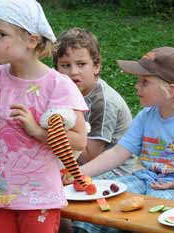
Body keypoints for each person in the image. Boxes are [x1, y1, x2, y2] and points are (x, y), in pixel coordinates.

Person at [74, 46, 174, 233]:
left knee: (149, 214)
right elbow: (119, 152)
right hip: (145, 180)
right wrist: (80, 172)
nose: (137, 86)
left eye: (145, 82)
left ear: (170, 91)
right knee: (104, 200)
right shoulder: (146, 115)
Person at [0, 0, 89, 232]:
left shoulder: (58, 85)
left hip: (39, 195)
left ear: (32, 41)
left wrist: (37, 131)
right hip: (0, 190)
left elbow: (80, 140)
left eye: (1, 34)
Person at [54, 27, 136, 179]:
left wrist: (51, 136)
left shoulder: (103, 102)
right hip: (74, 158)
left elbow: (89, 157)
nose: (73, 72)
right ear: (56, 69)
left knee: (60, 186)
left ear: (96, 66)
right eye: (65, 65)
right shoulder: (61, 92)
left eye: (81, 64)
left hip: (111, 170)